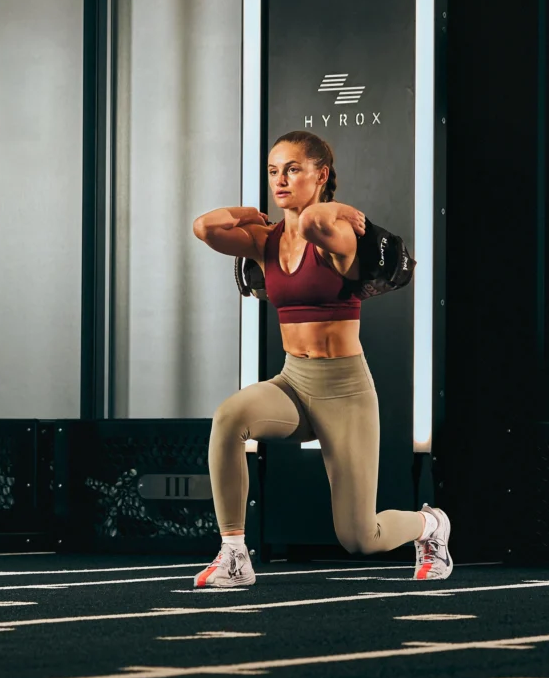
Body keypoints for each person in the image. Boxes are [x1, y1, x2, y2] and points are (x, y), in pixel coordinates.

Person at [189, 130, 452, 589]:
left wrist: (332, 208)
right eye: (273, 171)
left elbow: (312, 223)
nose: (280, 180)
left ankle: (431, 526)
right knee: (229, 418)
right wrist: (248, 214)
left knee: (360, 537)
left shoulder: (336, 233)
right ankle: (234, 554)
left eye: (293, 169)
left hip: (344, 391)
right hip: (293, 382)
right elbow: (206, 228)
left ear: (322, 174)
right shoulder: (266, 240)